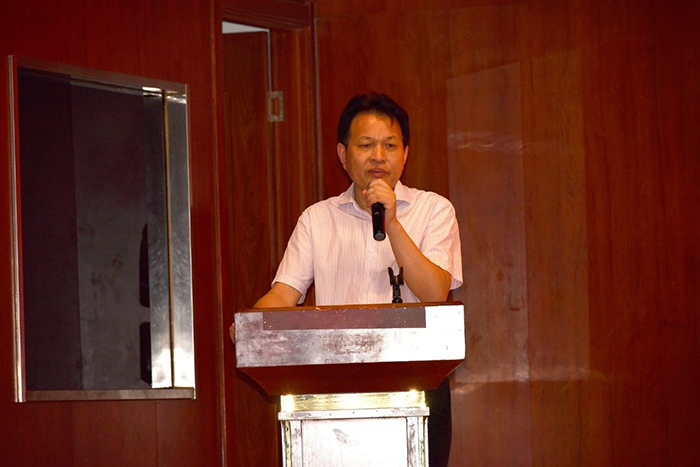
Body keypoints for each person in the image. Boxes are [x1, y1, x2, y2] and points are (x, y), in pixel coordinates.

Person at [235, 92, 463, 467]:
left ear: (405, 154)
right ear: (343, 154)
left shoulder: (434, 210)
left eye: (390, 145)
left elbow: (435, 293)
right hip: (332, 396)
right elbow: (284, 294)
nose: (378, 156)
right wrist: (250, 327)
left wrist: (392, 222)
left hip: (418, 390)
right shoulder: (317, 219)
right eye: (366, 145)